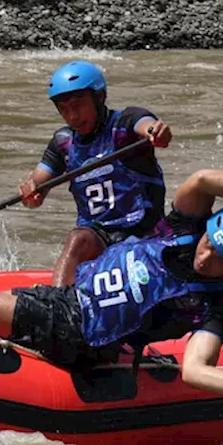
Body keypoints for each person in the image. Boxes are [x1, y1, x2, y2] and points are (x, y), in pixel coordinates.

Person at [0, 169, 223, 410]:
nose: (206, 255)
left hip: (79, 334)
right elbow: (202, 181)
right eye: (210, 241)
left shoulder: (218, 306)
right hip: (68, 300)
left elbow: (195, 370)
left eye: (221, 256)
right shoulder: (181, 229)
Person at [19, 60, 173, 285]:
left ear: (99, 98)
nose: (72, 116)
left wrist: (157, 132)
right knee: (78, 238)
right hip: (97, 240)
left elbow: (148, 126)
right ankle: (58, 301)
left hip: (144, 236)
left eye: (78, 105)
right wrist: (30, 193)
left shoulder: (125, 124)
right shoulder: (63, 143)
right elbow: (36, 192)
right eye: (64, 109)